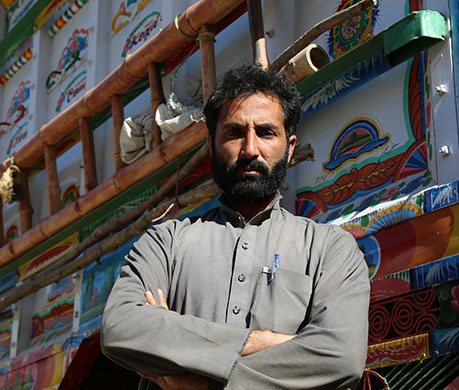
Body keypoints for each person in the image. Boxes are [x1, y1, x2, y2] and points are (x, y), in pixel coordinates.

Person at [101, 64, 370, 390]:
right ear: (212, 143)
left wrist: (192, 371)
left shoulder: (330, 249)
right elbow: (122, 327)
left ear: (290, 147)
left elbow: (339, 358)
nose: (250, 149)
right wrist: (267, 342)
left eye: (266, 132)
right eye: (234, 133)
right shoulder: (166, 242)